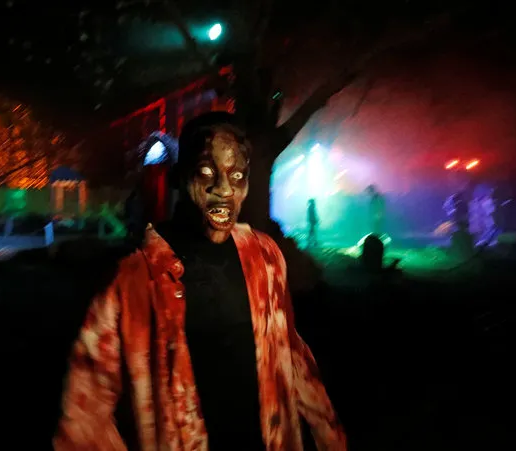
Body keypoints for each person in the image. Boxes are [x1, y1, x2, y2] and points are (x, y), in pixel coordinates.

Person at [54, 112, 346, 451]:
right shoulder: (136, 274)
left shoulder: (264, 256)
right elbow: (86, 404)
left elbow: (290, 353)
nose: (223, 189)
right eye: (207, 172)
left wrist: (330, 435)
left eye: (237, 175)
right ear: (179, 177)